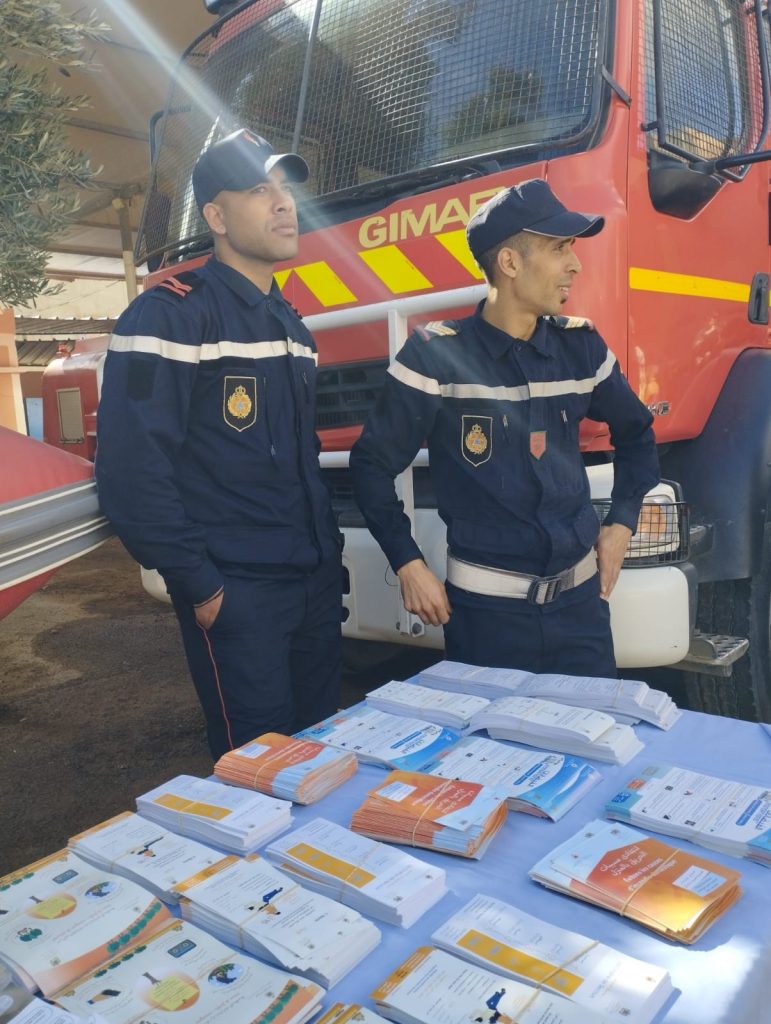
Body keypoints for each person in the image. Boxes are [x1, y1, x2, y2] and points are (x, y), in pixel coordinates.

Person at [95, 128, 343, 759]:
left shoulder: (291, 327)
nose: (284, 204)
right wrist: (200, 586)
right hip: (239, 594)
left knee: (322, 759)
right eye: (260, 191)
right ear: (216, 217)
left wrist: (327, 564)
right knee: (258, 773)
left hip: (312, 587)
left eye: (285, 189)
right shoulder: (171, 316)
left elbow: (301, 461)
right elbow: (131, 469)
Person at [350, 179, 660, 677]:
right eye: (559, 248)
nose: (575, 265)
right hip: (485, 620)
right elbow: (370, 465)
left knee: (592, 724)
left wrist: (622, 523)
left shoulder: (581, 348)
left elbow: (638, 434)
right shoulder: (435, 356)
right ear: (510, 263)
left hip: (581, 612)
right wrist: (407, 562)